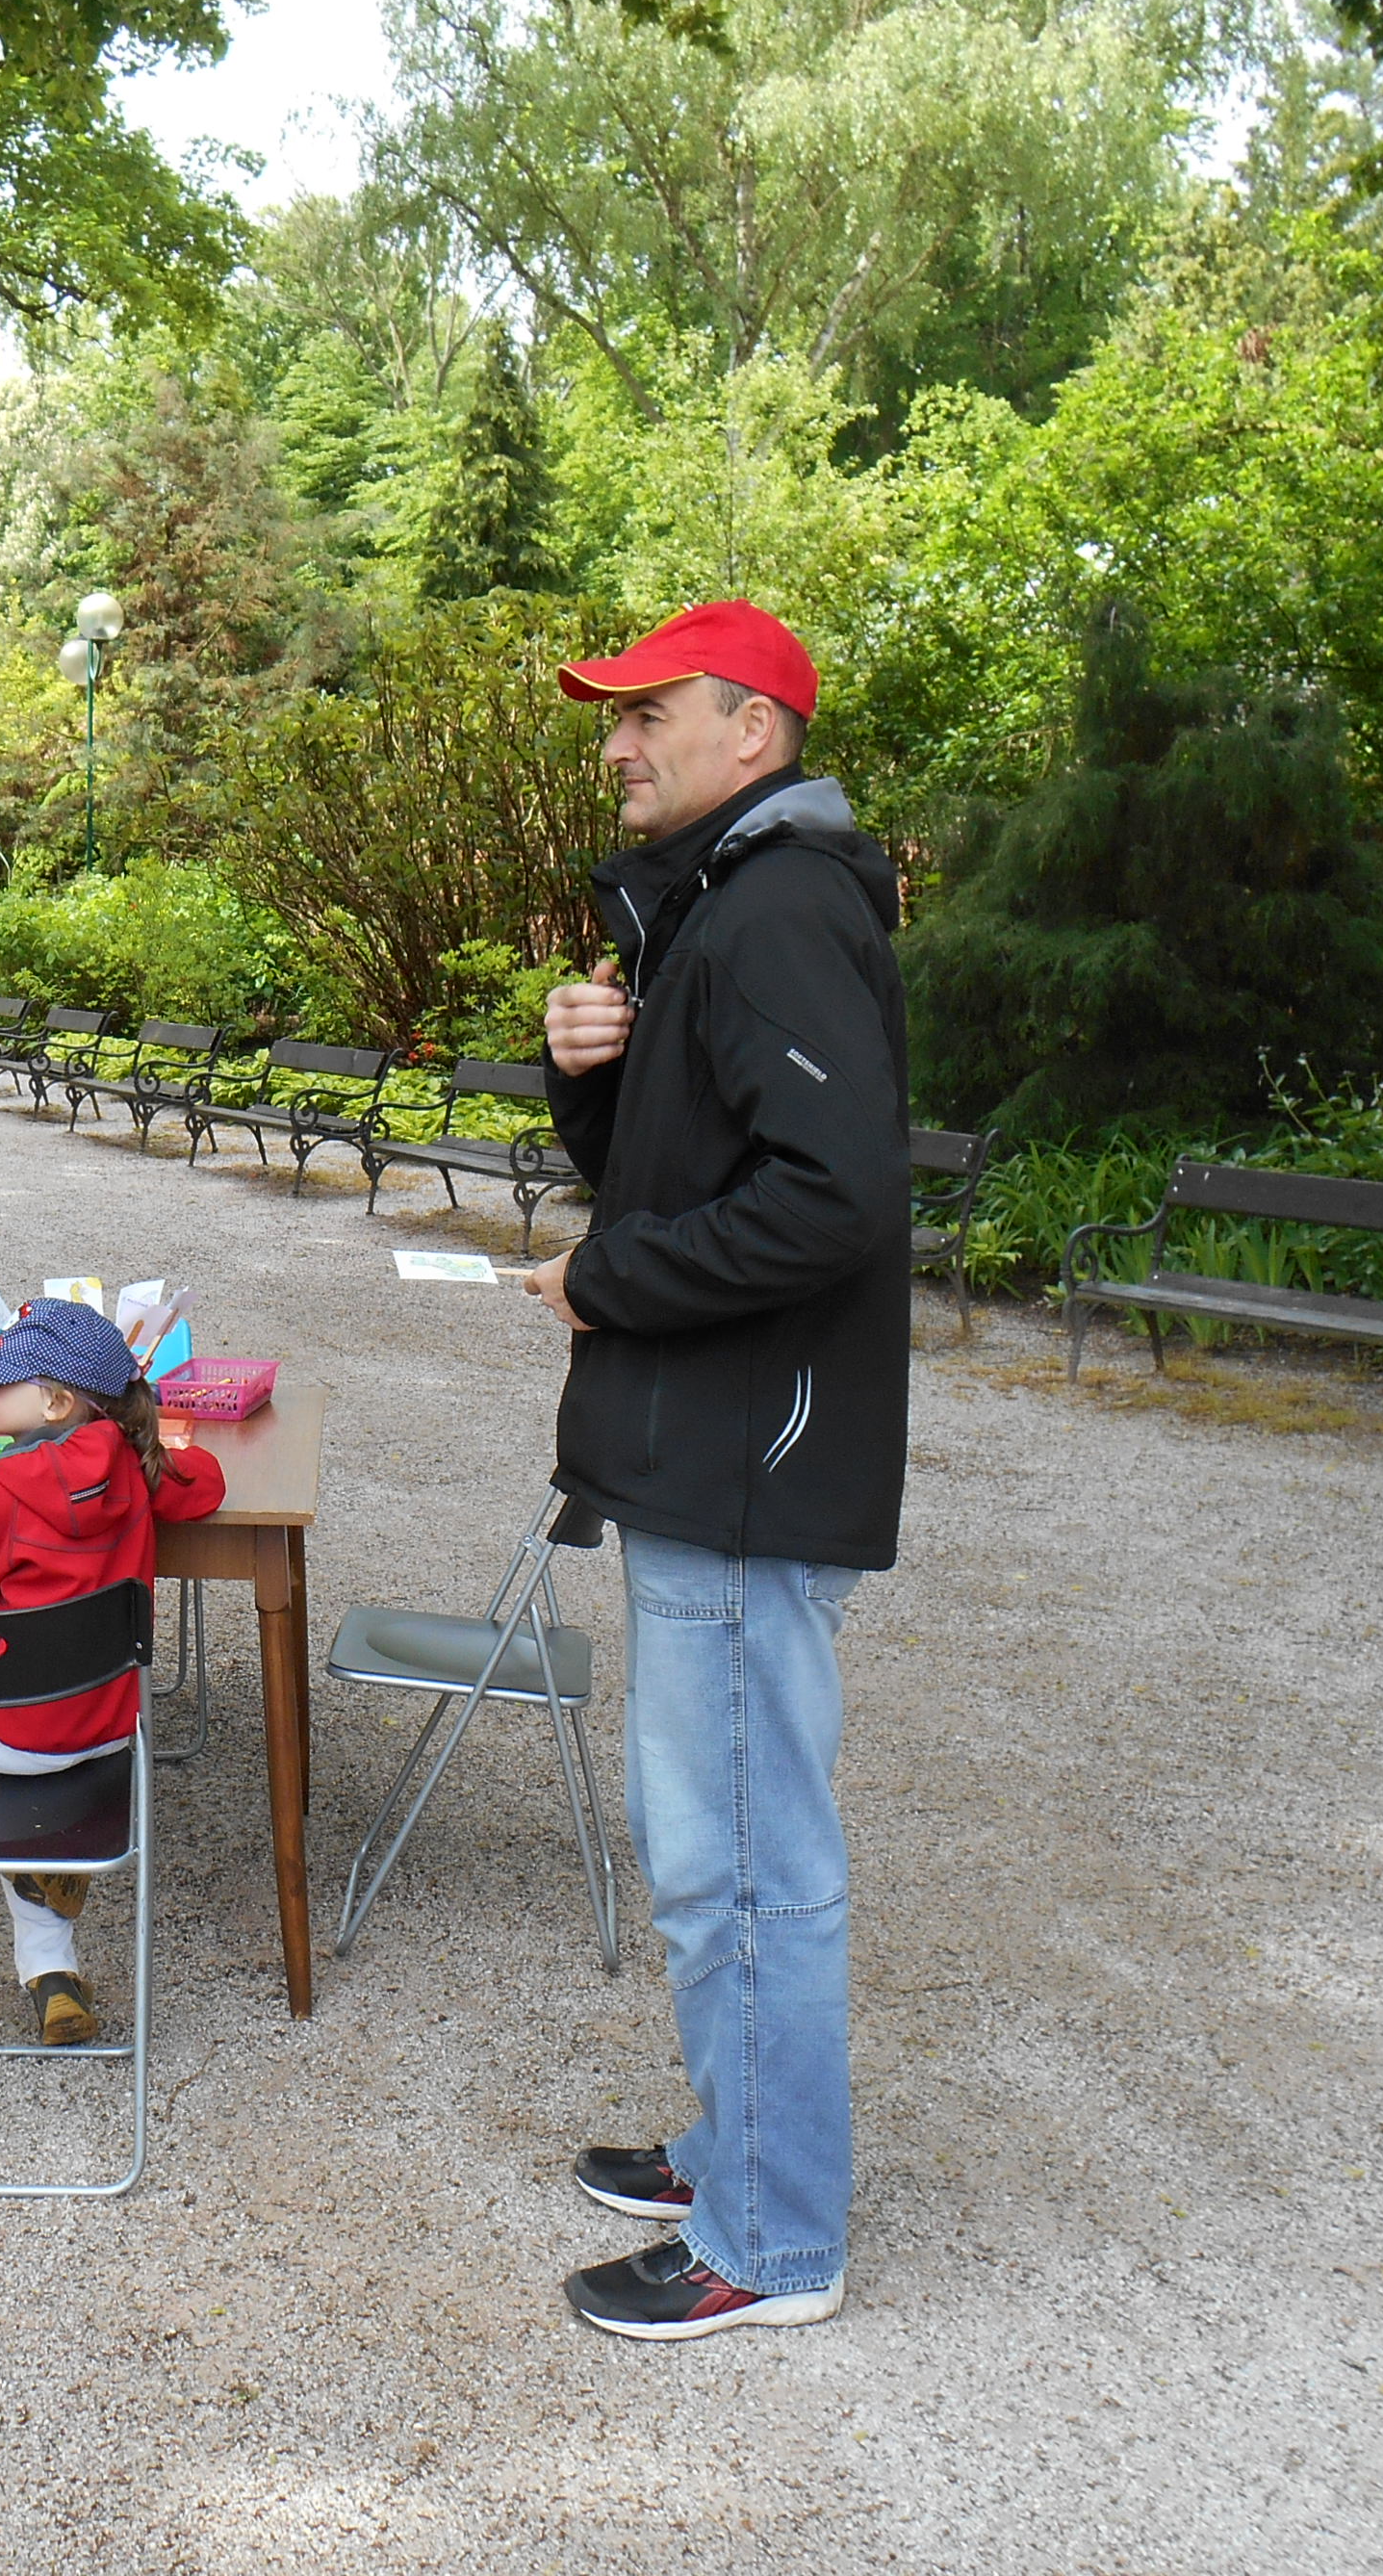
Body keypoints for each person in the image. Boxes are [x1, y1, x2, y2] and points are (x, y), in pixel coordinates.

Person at [518, 599, 910, 2343]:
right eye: (612, 717)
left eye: (644, 712)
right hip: (718, 1448)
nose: (616, 743)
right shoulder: (717, 906)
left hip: (750, 1462)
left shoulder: (774, 910)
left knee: (740, 1857)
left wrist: (606, 1280)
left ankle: (771, 2240)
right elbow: (689, 1169)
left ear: (750, 731)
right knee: (712, 1845)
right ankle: (735, 2150)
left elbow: (831, 1201)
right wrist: (587, 1082)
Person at [0, 1301, 224, 2045]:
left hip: (15, 1731)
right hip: (114, 1729)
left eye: (1, 1383)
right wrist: (156, 1444)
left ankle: (28, 1863)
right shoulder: (136, 1464)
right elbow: (207, 1484)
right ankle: (50, 1970)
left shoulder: (2, 1488)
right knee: (16, 1765)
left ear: (57, 1403)